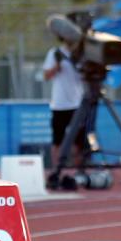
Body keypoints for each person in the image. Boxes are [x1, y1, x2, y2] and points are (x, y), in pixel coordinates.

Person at [43, 34, 85, 167]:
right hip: (59, 104)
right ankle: (57, 169)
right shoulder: (55, 53)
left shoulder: (81, 55)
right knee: (57, 141)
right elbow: (46, 75)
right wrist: (57, 66)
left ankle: (78, 169)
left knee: (78, 141)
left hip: (77, 104)